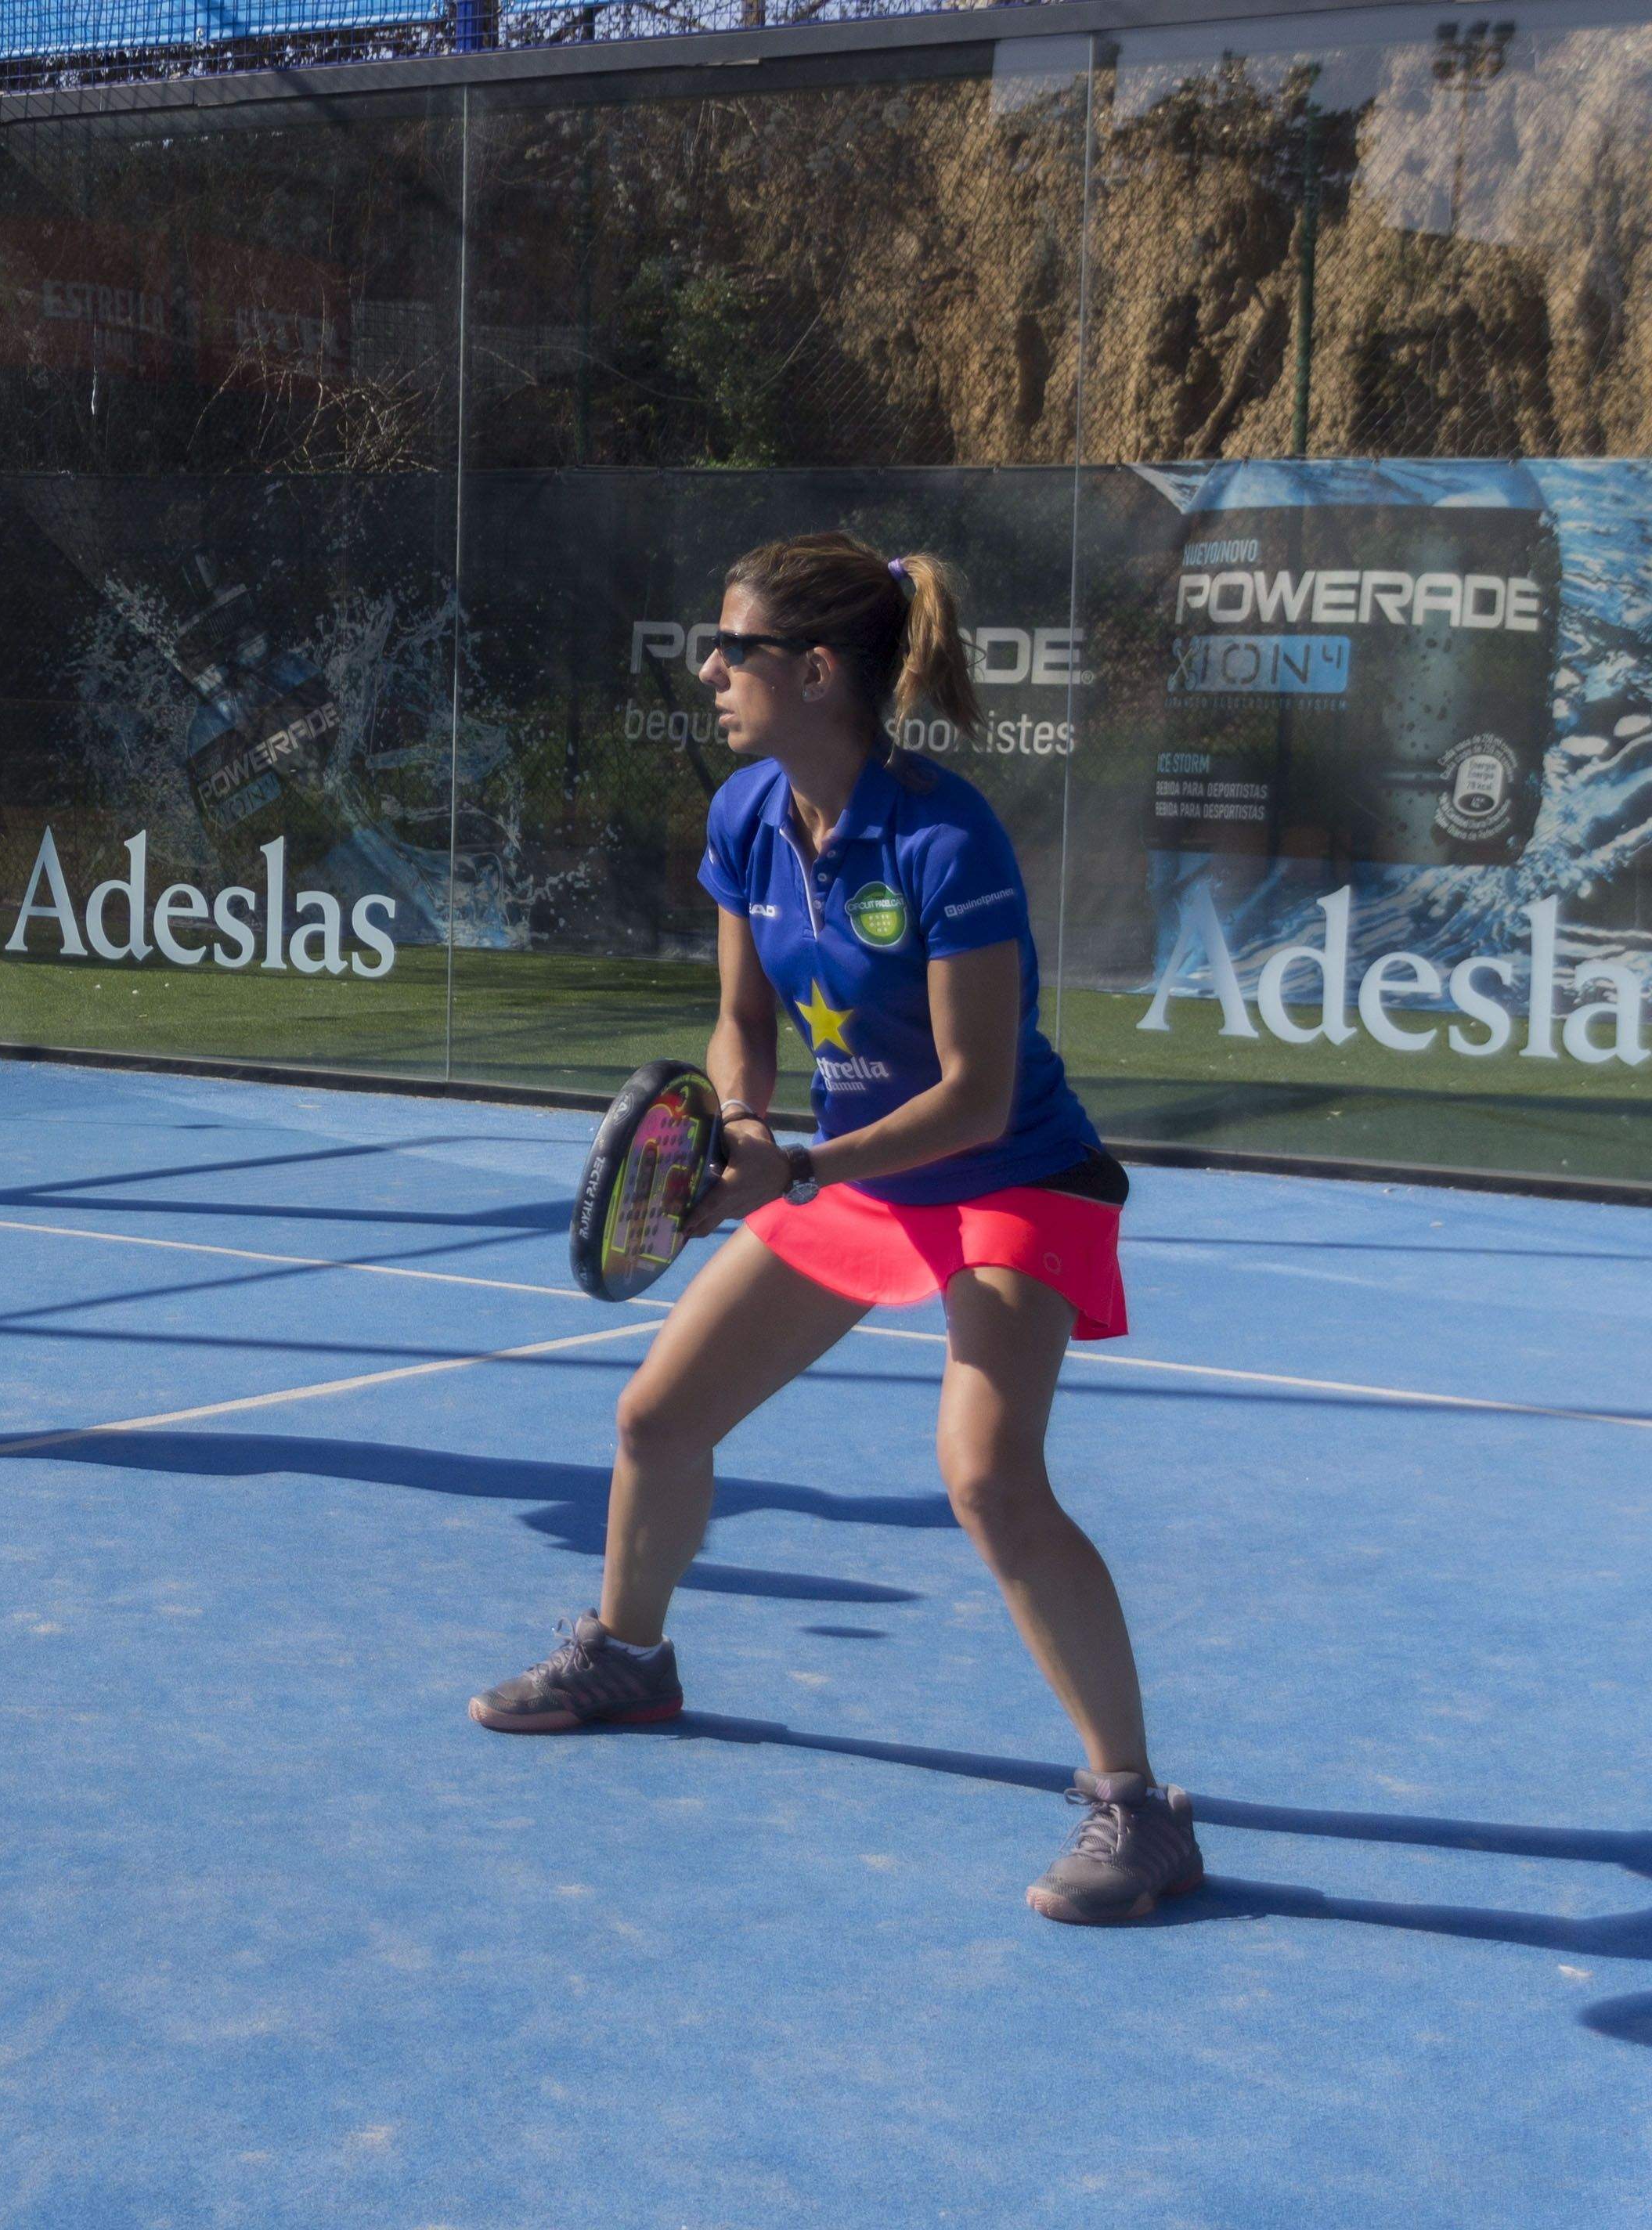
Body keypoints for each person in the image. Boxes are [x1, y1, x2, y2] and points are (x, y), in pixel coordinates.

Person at [470, 532, 1200, 1925]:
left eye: (730, 648)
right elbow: (742, 1025)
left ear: (813, 671)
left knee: (987, 1477)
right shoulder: (749, 812)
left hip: (1006, 1173)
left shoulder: (943, 836)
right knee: (655, 1418)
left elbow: (976, 1093)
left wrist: (799, 1164)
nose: (708, 671)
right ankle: (628, 1654)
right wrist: (743, 1128)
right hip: (850, 1169)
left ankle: (1138, 1807)